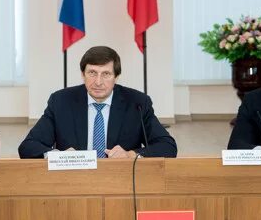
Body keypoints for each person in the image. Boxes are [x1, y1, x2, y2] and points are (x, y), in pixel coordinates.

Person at [18, 46, 177, 159]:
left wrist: (131, 154)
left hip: (120, 180)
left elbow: (167, 146)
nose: (98, 82)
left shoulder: (137, 103)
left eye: (106, 74)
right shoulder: (61, 101)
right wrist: (59, 156)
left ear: (116, 77)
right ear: (83, 74)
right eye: (92, 73)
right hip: (74, 180)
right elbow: (28, 146)